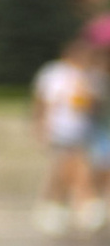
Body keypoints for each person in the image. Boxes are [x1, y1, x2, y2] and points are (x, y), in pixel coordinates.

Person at [30, 34, 101, 235]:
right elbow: (43, 102)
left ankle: (70, 206)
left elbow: (92, 106)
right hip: (59, 130)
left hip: (80, 131)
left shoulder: (87, 76)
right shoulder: (54, 74)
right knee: (62, 169)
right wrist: (40, 125)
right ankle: (60, 206)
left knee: (74, 168)